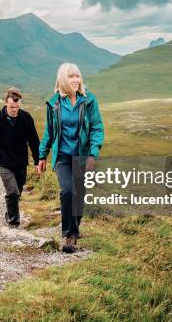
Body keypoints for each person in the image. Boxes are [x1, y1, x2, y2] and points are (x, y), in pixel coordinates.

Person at [38, 63, 104, 253]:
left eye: (77, 76)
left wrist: (93, 153)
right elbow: (49, 132)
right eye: (71, 76)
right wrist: (42, 155)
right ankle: (69, 235)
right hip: (63, 158)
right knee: (67, 191)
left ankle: (74, 227)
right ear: (62, 80)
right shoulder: (54, 104)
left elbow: (97, 127)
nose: (76, 80)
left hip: (82, 157)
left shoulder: (89, 100)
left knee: (79, 195)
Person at [0, 87, 41, 228]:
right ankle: (14, 222)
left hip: (21, 163)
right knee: (12, 191)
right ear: (6, 103)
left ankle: (9, 213)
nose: (14, 110)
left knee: (18, 193)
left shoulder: (26, 118)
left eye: (17, 107)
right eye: (11, 107)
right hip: (3, 162)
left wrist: (38, 160)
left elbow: (34, 141)